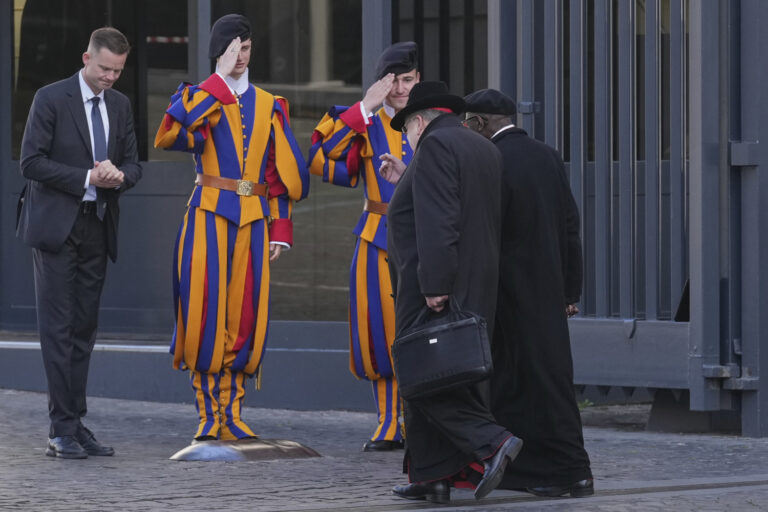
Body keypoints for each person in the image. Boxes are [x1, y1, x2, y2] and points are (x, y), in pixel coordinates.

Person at [154, 14, 309, 442]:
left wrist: (281, 228)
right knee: (204, 313)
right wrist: (218, 81)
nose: (240, 56)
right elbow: (171, 134)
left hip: (254, 220)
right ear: (218, 52)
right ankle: (208, 414)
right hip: (208, 213)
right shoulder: (199, 97)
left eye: (245, 48)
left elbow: (279, 175)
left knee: (246, 316)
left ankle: (234, 411)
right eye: (232, 48)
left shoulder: (269, 104)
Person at [383, 81, 523, 504]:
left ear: (420, 121)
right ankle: (432, 477)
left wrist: (435, 286)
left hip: (436, 285)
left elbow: (438, 220)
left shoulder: (435, 147)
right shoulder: (479, 147)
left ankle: (492, 442)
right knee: (449, 375)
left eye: (406, 130)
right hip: (477, 282)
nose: (407, 139)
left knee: (420, 376)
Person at [17, 27, 142, 459]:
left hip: (97, 224)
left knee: (84, 329)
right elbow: (30, 162)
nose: (110, 77)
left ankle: (75, 422)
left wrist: (120, 177)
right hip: (56, 229)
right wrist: (87, 177)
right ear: (86, 58)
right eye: (105, 68)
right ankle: (60, 430)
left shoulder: (121, 105)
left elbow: (133, 162)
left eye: (118, 71)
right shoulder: (50, 98)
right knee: (58, 330)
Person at [462, 88, 594, 497]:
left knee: (514, 383)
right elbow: (570, 226)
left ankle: (545, 471)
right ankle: (574, 470)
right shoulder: (547, 155)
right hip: (549, 291)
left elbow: (481, 231)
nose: (467, 131)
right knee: (552, 380)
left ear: (481, 123)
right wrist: (570, 289)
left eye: (469, 124)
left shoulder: (489, 160)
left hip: (507, 293)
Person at [307, 41, 420, 452]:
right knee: (379, 331)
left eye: (408, 79)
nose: (401, 89)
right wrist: (365, 108)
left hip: (426, 236)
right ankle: (389, 420)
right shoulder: (366, 123)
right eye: (393, 82)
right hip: (376, 234)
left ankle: (421, 416)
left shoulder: (435, 120)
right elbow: (321, 156)